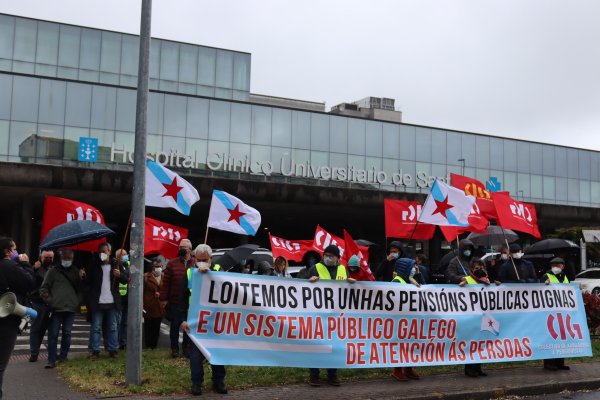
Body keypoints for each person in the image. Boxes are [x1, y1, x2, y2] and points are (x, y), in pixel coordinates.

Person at [180, 244, 227, 396]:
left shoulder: (218, 270)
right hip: (195, 321)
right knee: (195, 355)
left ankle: (219, 380)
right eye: (199, 259)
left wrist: (210, 274)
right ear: (194, 258)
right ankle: (196, 382)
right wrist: (182, 319)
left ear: (211, 259)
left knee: (217, 352)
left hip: (215, 320)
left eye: (205, 260)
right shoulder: (190, 273)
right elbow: (181, 298)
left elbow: (228, 290)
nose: (201, 262)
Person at [306, 244, 353, 387]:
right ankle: (314, 375)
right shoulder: (315, 268)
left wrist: (352, 284)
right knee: (316, 346)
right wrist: (309, 281)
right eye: (326, 255)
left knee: (334, 346)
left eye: (331, 256)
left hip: (336, 316)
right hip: (318, 315)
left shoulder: (343, 269)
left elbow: (347, 290)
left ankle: (332, 375)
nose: (327, 257)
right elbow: (302, 288)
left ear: (338, 257)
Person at [0, 237, 36, 400]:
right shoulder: (8, 265)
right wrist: (26, 264)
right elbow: (30, 282)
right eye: (14, 249)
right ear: (7, 252)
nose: (16, 252)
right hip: (7, 321)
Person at [39, 248, 83, 368]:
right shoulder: (53, 272)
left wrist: (77, 302)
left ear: (73, 259)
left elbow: (81, 289)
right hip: (56, 309)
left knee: (67, 333)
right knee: (53, 334)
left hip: (70, 308)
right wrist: (50, 301)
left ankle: (63, 356)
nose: (67, 260)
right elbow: (43, 289)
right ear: (61, 258)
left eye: (69, 258)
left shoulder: (76, 272)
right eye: (65, 258)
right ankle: (51, 359)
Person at [82, 242, 127, 360]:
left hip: (112, 302)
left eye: (104, 251)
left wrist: (119, 275)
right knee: (96, 327)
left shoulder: (116, 264)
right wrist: (83, 276)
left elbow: (126, 280)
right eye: (100, 252)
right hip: (97, 302)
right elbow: (88, 282)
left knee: (113, 327)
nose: (102, 254)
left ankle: (113, 350)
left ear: (109, 252)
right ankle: (95, 350)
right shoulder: (94, 265)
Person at [458, 258, 499, 377]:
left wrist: (496, 285)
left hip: (483, 317)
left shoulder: (487, 280)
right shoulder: (467, 279)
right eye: (477, 268)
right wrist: (462, 284)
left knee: (481, 343)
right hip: (470, 317)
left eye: (481, 268)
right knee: (471, 344)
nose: (479, 270)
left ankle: (478, 367)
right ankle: (469, 369)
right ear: (471, 270)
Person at [160, 238, 194, 358]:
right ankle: (174, 349)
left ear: (190, 249)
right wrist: (164, 299)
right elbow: (166, 282)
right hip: (174, 301)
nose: (181, 249)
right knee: (174, 326)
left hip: (189, 302)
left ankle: (186, 349)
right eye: (180, 247)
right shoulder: (172, 263)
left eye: (184, 247)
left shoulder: (195, 264)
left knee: (188, 327)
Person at [390, 257, 420, 381]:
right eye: (413, 267)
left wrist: (417, 277)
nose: (415, 269)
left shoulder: (409, 281)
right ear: (405, 269)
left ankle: (408, 369)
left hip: (409, 319)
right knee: (400, 346)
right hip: (399, 320)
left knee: (410, 345)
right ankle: (397, 370)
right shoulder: (397, 281)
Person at [542, 257, 571, 371]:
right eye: (554, 265)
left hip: (562, 312)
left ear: (563, 266)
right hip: (549, 313)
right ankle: (549, 363)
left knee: (561, 338)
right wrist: (544, 284)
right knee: (550, 337)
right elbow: (538, 290)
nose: (556, 267)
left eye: (558, 265)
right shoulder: (546, 276)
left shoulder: (565, 277)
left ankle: (560, 363)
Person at [28, 249, 56, 362]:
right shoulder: (36, 268)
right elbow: (28, 279)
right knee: (36, 328)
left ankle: (37, 349)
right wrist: (34, 269)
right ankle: (34, 353)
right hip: (37, 302)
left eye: (50, 258)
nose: (48, 259)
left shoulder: (55, 269)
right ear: (41, 257)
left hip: (50, 303)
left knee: (44, 328)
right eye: (46, 257)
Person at [143, 257, 164, 350]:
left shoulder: (163, 276)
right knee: (148, 327)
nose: (159, 268)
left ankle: (154, 346)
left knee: (156, 327)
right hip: (148, 305)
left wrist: (160, 294)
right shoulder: (146, 277)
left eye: (160, 266)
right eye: (157, 266)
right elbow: (142, 291)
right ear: (152, 267)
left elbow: (166, 289)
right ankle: (148, 346)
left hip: (159, 306)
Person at [114, 248, 130, 350]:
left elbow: (129, 278)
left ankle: (122, 342)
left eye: (126, 254)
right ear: (117, 257)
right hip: (118, 298)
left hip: (127, 298)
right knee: (117, 322)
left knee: (125, 322)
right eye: (122, 255)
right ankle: (116, 342)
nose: (125, 256)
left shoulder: (129, 265)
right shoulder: (115, 266)